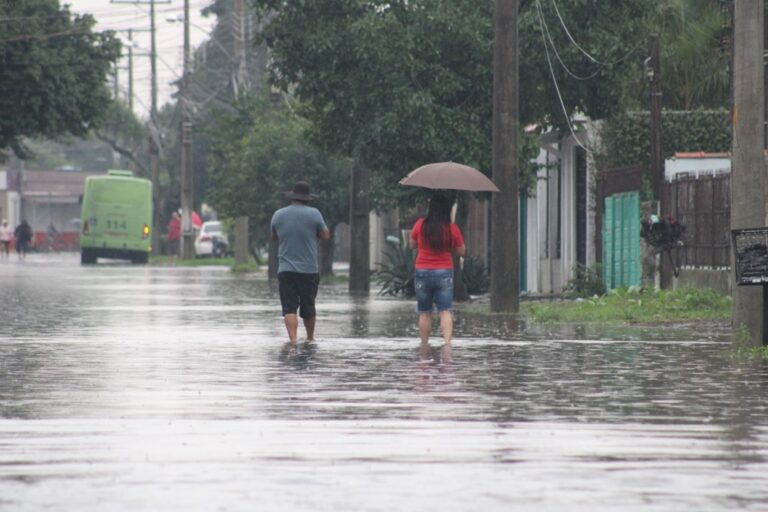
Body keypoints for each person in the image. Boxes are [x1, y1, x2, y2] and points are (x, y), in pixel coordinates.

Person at [270, 181, 330, 343]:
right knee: (308, 306)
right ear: (308, 199)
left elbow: (274, 237)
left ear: (292, 197)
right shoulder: (315, 214)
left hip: (285, 269)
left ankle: (293, 341)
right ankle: (310, 338)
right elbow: (325, 236)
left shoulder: (278, 215)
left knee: (289, 307)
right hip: (309, 270)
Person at [409, 194, 466, 345]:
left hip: (422, 272)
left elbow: (412, 245)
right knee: (445, 310)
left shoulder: (420, 225)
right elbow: (462, 252)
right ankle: (447, 344)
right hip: (444, 273)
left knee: (424, 312)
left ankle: (424, 344)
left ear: (430, 209)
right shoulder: (451, 229)